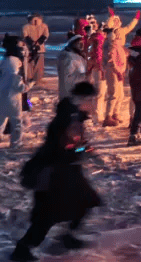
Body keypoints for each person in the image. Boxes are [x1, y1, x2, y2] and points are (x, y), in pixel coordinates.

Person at [10, 82, 101, 262]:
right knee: (47, 216)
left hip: (67, 172)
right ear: (83, 100)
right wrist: (83, 151)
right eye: (91, 100)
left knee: (86, 201)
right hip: (55, 175)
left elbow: (75, 144)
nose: (93, 104)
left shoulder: (73, 116)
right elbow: (66, 148)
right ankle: (22, 249)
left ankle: (68, 236)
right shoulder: (68, 118)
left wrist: (85, 150)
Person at [101, 10, 140, 127]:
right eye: (115, 21)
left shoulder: (122, 32)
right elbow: (108, 27)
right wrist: (111, 17)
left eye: (118, 20)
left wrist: (136, 19)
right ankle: (108, 116)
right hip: (113, 67)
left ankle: (115, 113)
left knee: (121, 94)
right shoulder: (109, 39)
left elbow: (130, 27)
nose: (117, 22)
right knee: (113, 93)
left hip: (121, 64)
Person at [1, 36, 26, 148]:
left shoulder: (5, 60)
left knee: (1, 119)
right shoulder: (13, 61)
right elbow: (16, 81)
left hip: (2, 93)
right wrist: (28, 85)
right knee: (16, 121)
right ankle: (16, 143)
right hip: (13, 97)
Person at [57, 35, 87, 102]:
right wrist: (85, 76)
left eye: (82, 43)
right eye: (79, 44)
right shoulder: (68, 58)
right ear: (73, 44)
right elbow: (67, 78)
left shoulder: (77, 55)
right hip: (70, 95)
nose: (82, 46)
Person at [21, 14, 49, 86]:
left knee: (30, 64)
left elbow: (26, 36)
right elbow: (45, 35)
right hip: (40, 49)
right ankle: (37, 79)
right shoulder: (44, 26)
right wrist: (38, 43)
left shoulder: (26, 26)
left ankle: (30, 79)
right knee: (39, 65)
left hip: (30, 49)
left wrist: (32, 44)